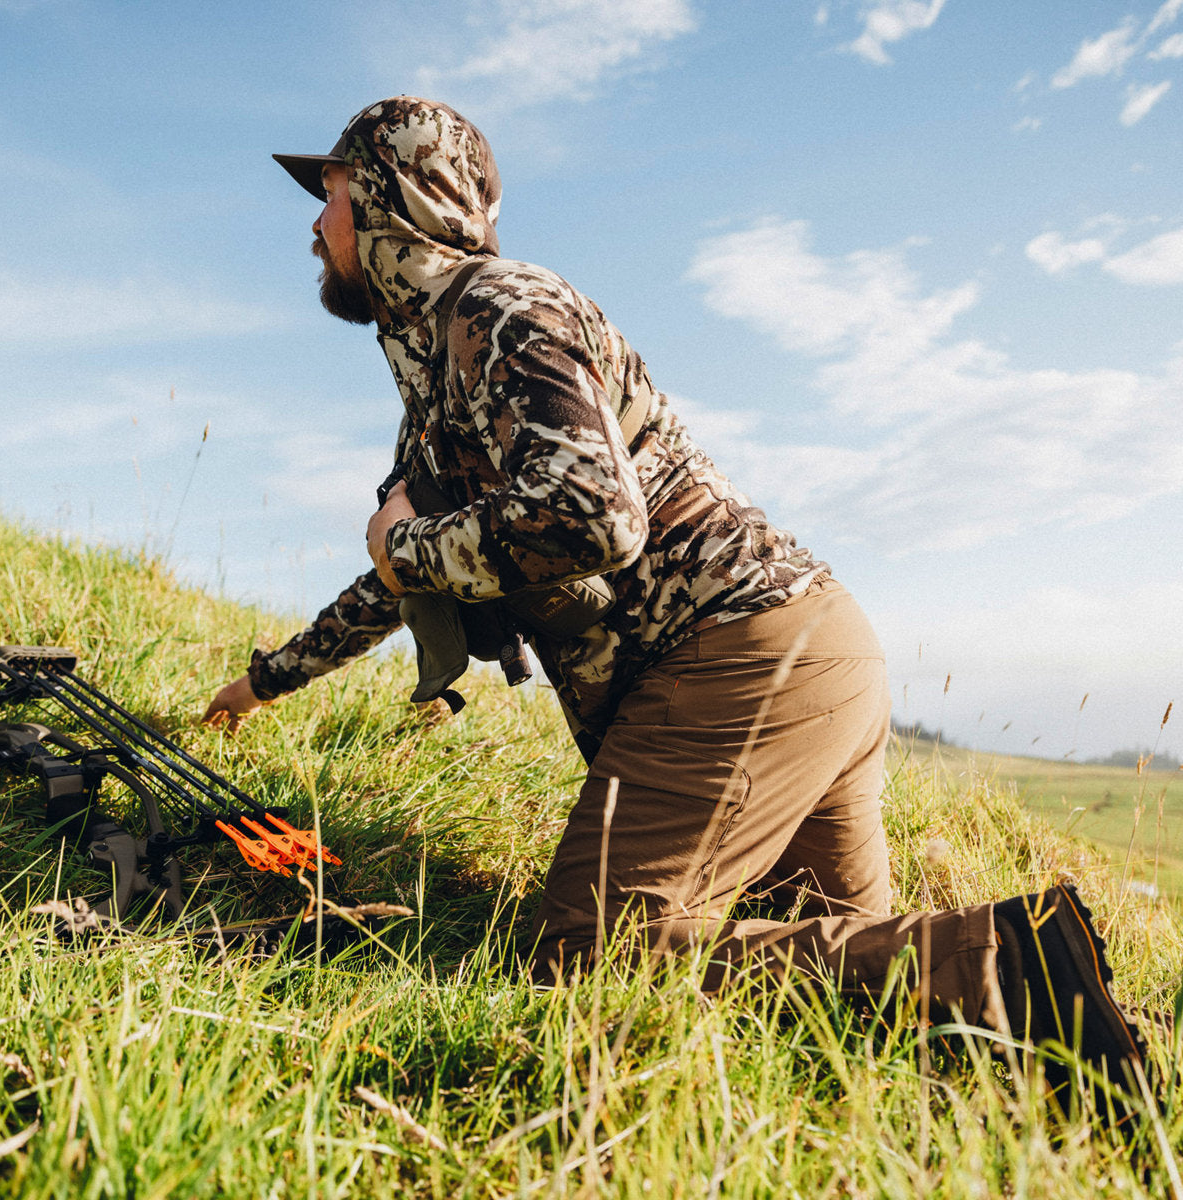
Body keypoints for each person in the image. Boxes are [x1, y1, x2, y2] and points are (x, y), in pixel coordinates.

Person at [204, 97, 1146, 1110]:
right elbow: (404, 576)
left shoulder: (502, 308)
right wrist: (263, 684)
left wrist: (410, 545)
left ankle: (1029, 969)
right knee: (856, 998)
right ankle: (1104, 1051)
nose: (313, 223)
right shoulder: (442, 373)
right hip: (812, 656)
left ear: (390, 197)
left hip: (737, 661)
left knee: (588, 958)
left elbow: (593, 518)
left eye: (332, 194)